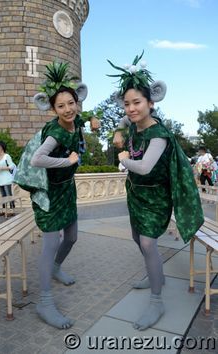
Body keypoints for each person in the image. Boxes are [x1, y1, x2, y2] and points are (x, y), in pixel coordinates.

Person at [108, 52, 204, 331]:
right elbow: (125, 123)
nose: (131, 109)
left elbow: (146, 167)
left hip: (156, 196)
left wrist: (123, 158)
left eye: (137, 102)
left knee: (149, 243)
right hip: (135, 194)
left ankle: (157, 300)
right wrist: (117, 129)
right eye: (126, 104)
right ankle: (154, 274)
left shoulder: (159, 134)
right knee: (138, 237)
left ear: (151, 103)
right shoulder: (134, 124)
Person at [29, 61, 99, 329]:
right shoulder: (56, 132)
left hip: (66, 190)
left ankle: (57, 268)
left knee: (71, 237)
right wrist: (66, 162)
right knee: (49, 244)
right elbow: (37, 160)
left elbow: (83, 118)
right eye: (61, 106)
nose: (68, 109)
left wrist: (93, 119)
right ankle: (44, 302)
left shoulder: (73, 119)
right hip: (49, 195)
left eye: (71, 103)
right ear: (52, 108)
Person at [0, 141, 16, 216]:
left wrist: (2, 168)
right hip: (0, 178)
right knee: (3, 195)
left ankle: (12, 210)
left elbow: (12, 166)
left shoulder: (7, 156)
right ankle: (4, 210)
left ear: (2, 147)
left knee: (8, 194)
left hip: (6, 178)